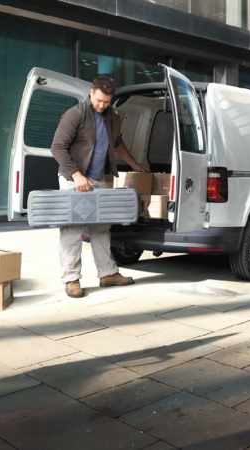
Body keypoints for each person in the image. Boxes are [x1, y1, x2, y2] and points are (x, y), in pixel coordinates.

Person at [51, 75, 151, 298]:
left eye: (106, 101)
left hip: (98, 178)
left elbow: (116, 142)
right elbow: (57, 147)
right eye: (98, 100)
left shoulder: (113, 115)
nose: (101, 105)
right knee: (72, 228)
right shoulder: (75, 114)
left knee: (101, 226)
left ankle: (107, 273)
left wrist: (133, 163)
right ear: (91, 93)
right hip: (73, 178)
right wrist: (76, 175)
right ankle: (71, 279)